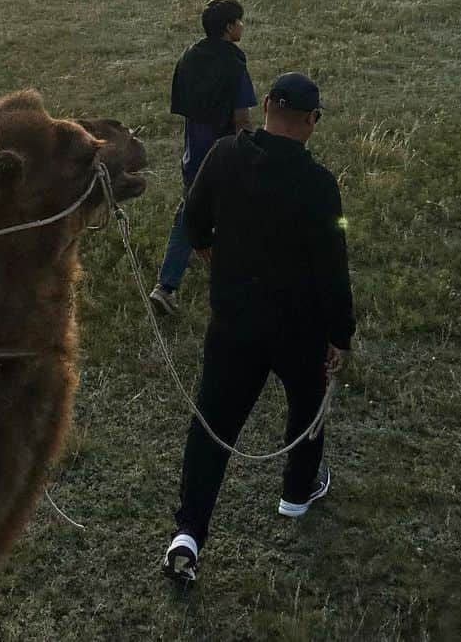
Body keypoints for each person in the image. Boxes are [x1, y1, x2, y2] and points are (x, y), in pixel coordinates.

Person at [161, 72, 355, 584]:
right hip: (300, 328)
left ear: (266, 105)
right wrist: (342, 334)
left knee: (213, 427)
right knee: (307, 408)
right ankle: (296, 492)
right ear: (312, 123)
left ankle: (189, 532)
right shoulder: (320, 186)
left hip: (234, 324)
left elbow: (192, 212)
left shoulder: (225, 155)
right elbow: (334, 264)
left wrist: (204, 239)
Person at [149, 0, 257, 316]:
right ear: (228, 28)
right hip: (223, 154)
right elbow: (241, 120)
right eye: (239, 21)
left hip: (193, 154)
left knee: (190, 210)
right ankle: (233, 279)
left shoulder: (189, 58)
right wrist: (249, 153)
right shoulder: (234, 64)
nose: (242, 26)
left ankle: (166, 286)